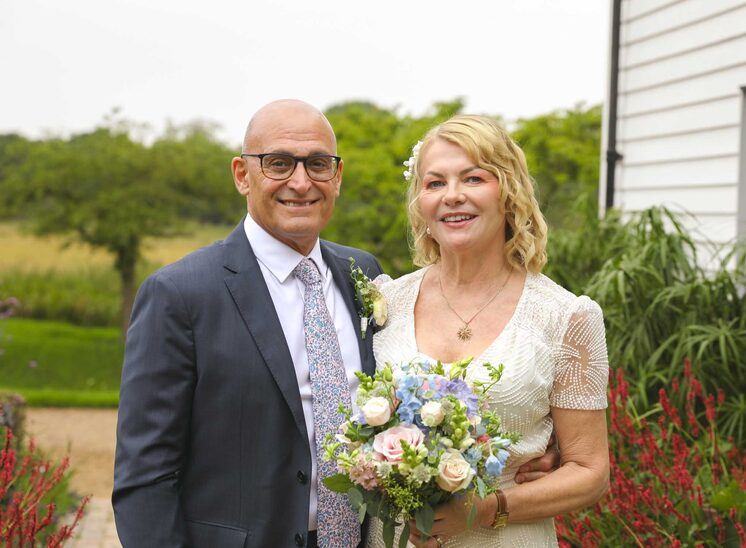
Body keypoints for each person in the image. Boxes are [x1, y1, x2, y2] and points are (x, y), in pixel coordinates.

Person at [113, 100, 558, 548]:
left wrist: (535, 445)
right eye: (279, 163)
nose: (301, 182)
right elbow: (145, 476)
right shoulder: (180, 294)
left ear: (337, 176)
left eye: (318, 164)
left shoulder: (363, 277)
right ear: (242, 175)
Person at [368, 115, 610, 548]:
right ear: (420, 201)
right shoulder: (385, 302)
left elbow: (590, 473)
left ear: (509, 191)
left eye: (474, 178)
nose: (452, 196)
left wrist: (487, 507)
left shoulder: (565, 316)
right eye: (435, 183)